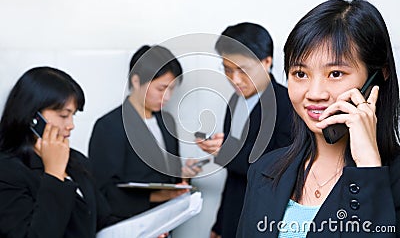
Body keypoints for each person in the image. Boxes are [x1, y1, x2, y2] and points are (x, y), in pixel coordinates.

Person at [237, 0, 400, 237]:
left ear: (378, 75)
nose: (314, 94)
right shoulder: (264, 170)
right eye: (300, 73)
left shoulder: (391, 178)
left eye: (335, 73)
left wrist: (368, 168)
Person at [196, 22, 293, 237]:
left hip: (268, 221)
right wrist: (219, 225)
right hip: (234, 218)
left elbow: (280, 169)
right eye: (227, 70)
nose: (234, 80)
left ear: (267, 62)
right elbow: (234, 177)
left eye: (242, 70)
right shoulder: (234, 102)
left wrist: (228, 149)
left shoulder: (288, 104)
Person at [0, 67, 120, 238]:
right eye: (64, 115)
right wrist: (54, 174)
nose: (71, 125)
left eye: (73, 115)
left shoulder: (76, 160)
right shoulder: (7, 170)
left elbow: (103, 220)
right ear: (33, 118)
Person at [89, 45, 200, 219]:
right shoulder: (110, 125)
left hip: (166, 221)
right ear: (136, 81)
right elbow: (104, 191)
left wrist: (183, 173)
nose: (168, 97)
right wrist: (158, 196)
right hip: (129, 223)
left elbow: (168, 178)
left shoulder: (167, 121)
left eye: (172, 89)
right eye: (161, 89)